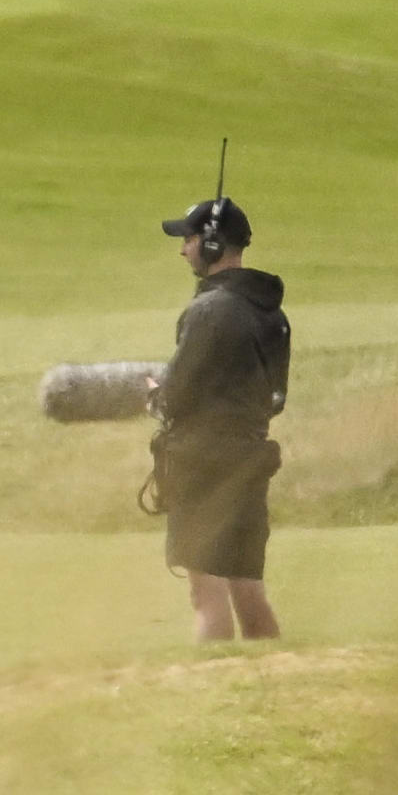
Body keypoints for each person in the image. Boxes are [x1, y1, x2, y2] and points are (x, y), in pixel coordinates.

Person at [147, 187, 288, 646]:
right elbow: (274, 398)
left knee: (205, 592)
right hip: (250, 458)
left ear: (210, 244)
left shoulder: (209, 311)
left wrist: (155, 395)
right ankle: (275, 678)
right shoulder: (270, 311)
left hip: (202, 464)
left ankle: (214, 688)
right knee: (247, 589)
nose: (183, 249)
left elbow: (175, 396)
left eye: (188, 239)